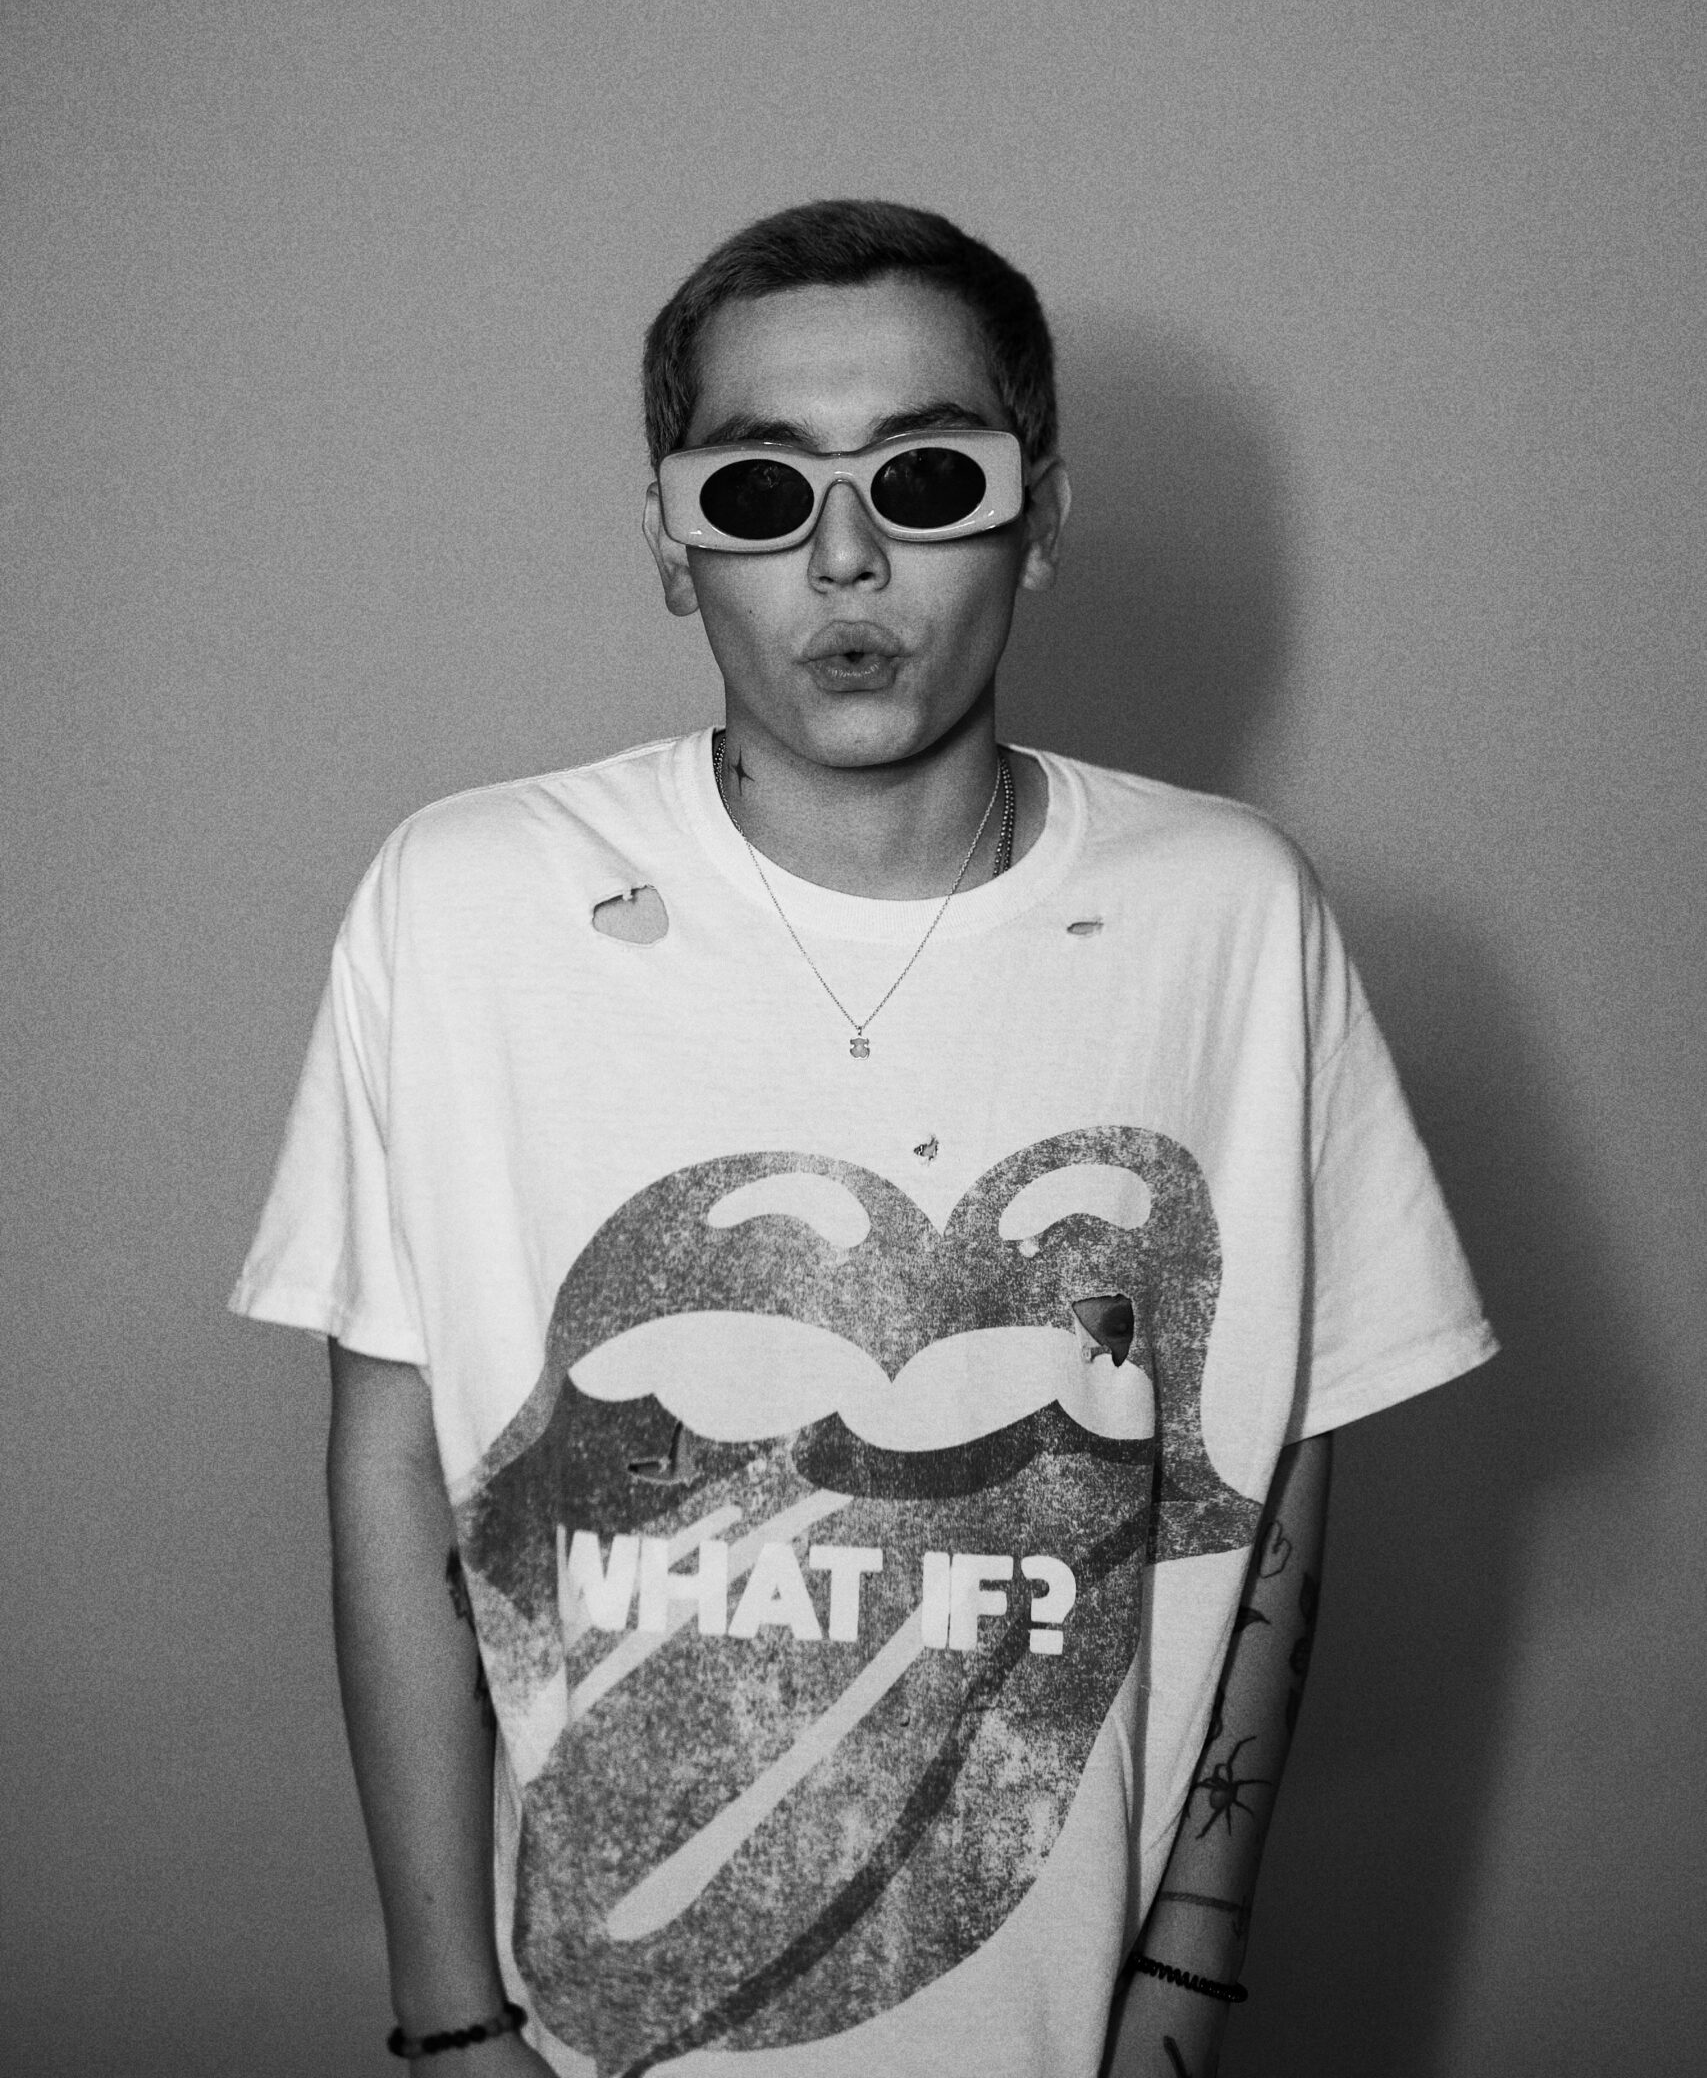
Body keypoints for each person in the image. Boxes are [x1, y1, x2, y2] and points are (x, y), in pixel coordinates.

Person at [231, 200, 1496, 2077]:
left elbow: (1280, 1451)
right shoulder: (467, 902)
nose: (845, 556)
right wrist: (447, 2024)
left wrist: (1187, 1989)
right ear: (669, 545)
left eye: (925, 477)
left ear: (1038, 517)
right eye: (758, 492)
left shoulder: (1227, 916)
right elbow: (398, 1465)